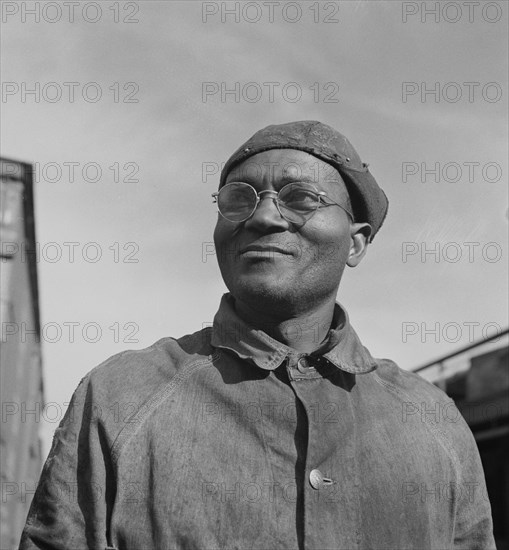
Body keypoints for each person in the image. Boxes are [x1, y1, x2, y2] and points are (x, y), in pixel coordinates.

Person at [20, 121, 495, 549]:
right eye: (238, 199)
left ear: (355, 242)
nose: (262, 217)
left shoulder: (434, 422)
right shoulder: (120, 396)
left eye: (301, 197)